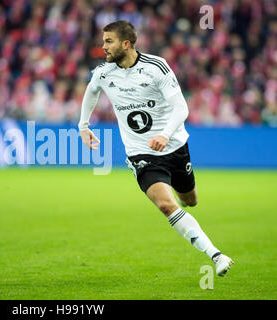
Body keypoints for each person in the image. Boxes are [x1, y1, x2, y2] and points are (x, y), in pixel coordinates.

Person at [78, 21, 234, 276]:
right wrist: (83, 125)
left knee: (189, 200)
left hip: (174, 146)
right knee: (166, 205)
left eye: (109, 41)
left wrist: (164, 133)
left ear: (126, 44)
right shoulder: (104, 73)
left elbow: (181, 108)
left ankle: (186, 198)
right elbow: (91, 91)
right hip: (141, 153)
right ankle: (216, 255)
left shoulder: (156, 67)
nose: (103, 46)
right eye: (103, 40)